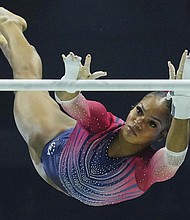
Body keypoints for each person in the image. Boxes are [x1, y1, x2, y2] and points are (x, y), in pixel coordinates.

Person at [0, 7, 189, 206]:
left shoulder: (146, 169)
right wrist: (70, 83)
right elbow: (67, 100)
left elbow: (174, 158)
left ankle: (7, 39)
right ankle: (10, 24)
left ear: (161, 135)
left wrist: (183, 106)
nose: (139, 122)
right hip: (49, 141)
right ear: (133, 107)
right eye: (139, 111)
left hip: (61, 170)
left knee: (21, 73)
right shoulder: (102, 122)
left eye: (152, 124)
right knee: (26, 80)